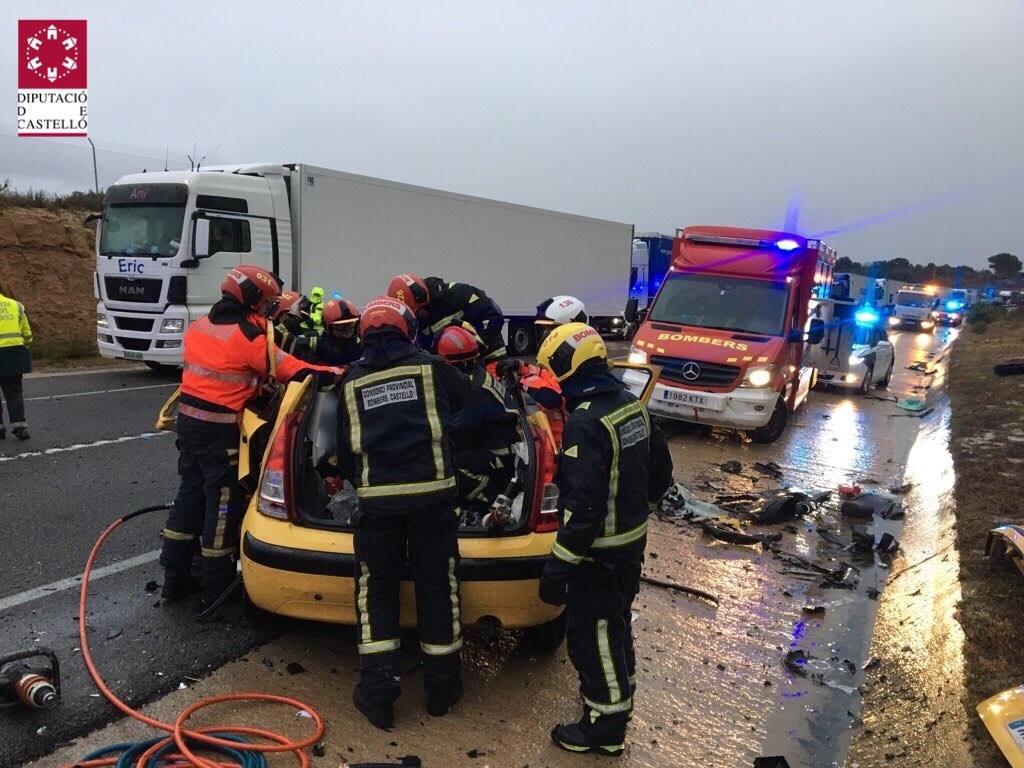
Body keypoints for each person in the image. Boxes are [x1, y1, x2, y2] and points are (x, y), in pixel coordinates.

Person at [159, 266, 343, 611]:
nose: (269, 310)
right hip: (219, 432)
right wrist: (340, 374)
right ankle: (216, 589)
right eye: (267, 303)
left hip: (190, 426)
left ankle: (174, 579)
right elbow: (293, 370)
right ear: (253, 300)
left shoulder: (201, 327)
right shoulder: (247, 337)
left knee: (188, 496)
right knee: (223, 503)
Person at [535, 322, 673, 757]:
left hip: (599, 555)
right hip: (629, 546)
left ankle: (604, 728)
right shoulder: (631, 406)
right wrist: (635, 510)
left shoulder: (586, 422)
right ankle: (620, 694)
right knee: (614, 629)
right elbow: (661, 474)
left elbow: (583, 509)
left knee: (592, 637)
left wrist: (558, 568)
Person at [335, 296, 471, 729]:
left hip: (378, 506)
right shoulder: (432, 368)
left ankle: (378, 696)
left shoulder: (350, 381)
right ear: (407, 329)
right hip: (434, 501)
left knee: (376, 594)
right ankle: (442, 693)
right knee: (439, 589)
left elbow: (340, 451)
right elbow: (470, 409)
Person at [436, 325, 519, 508]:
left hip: (498, 459)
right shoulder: (478, 376)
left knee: (442, 459)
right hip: (504, 449)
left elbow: (459, 433)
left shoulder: (469, 389)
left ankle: (482, 501)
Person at [387, 273, 506, 360]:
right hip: (453, 367)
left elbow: (494, 314)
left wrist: (481, 343)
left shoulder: (458, 294)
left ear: (424, 298)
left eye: (418, 311)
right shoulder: (413, 322)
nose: (418, 315)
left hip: (489, 355)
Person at [0, 287, 33, 440]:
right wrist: (25, 344)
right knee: (14, 392)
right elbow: (27, 333)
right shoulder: (16, 305)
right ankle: (20, 427)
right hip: (13, 354)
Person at [303, 299, 362, 366]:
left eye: (350, 324)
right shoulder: (315, 345)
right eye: (340, 327)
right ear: (327, 327)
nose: (346, 332)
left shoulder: (363, 344)